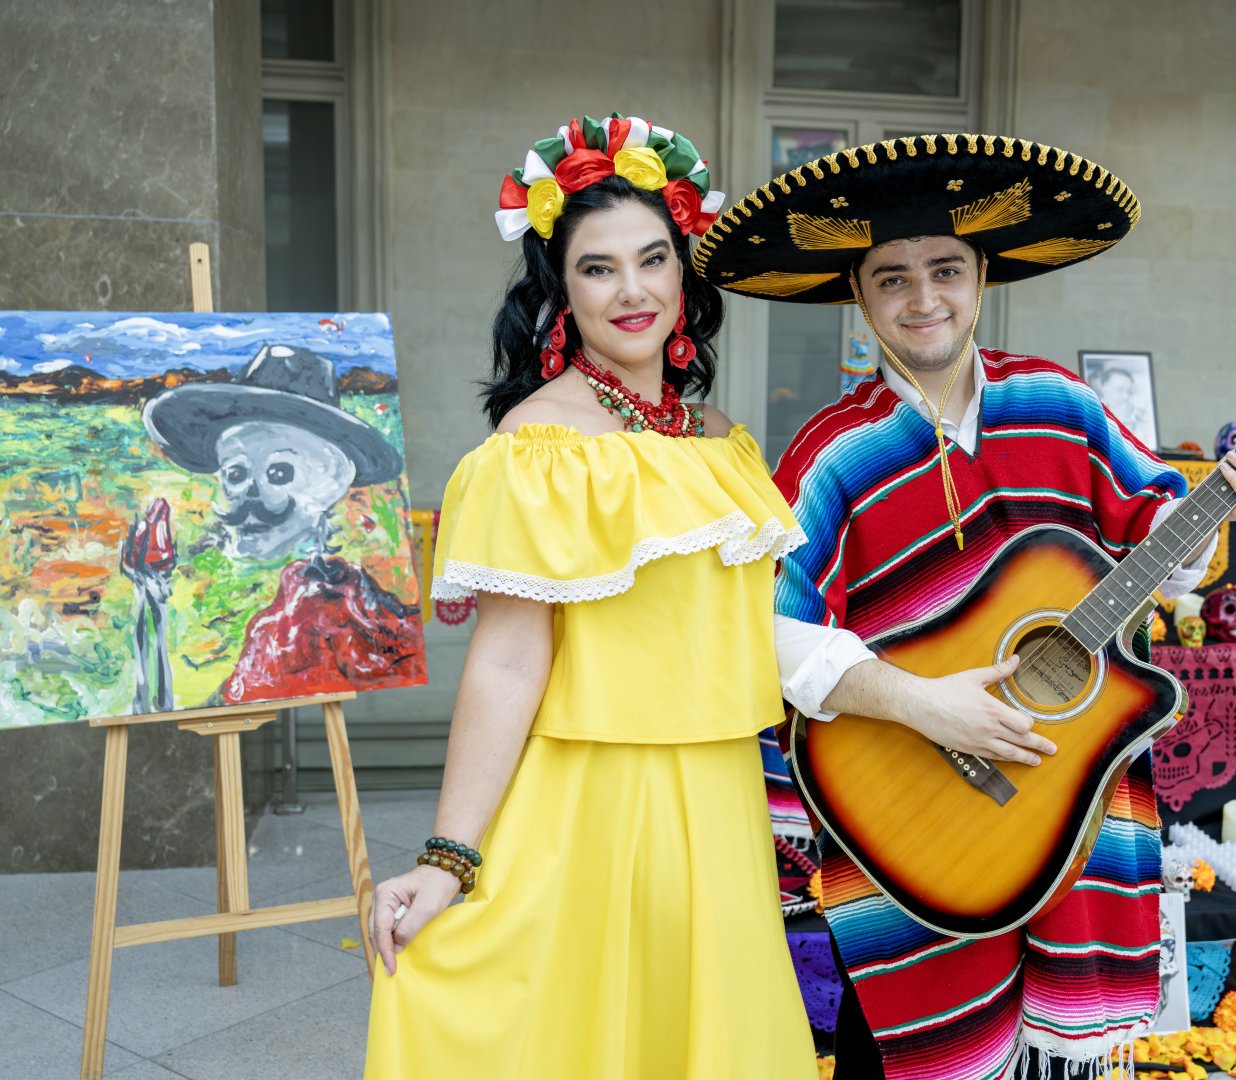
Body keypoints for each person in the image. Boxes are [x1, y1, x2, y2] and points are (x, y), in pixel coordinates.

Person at [696, 132, 1236, 1078]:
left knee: (1065, 1053)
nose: (923, 298)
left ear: (983, 275)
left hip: (1074, 783)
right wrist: (923, 703)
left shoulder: (1060, 404)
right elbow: (764, 632)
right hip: (914, 805)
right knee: (910, 1046)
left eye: (945, 269)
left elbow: (1165, 548)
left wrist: (1233, 506)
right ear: (857, 296)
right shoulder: (833, 453)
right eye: (891, 277)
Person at [363, 114, 817, 1079]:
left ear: (685, 271)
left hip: (723, 800)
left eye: (653, 259)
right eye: (598, 268)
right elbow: (508, 659)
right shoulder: (539, 448)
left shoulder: (720, 439)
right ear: (560, 290)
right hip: (594, 804)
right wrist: (448, 857)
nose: (634, 290)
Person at [143, 346, 425, 705]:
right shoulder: (247, 590)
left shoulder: (314, 617)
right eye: (236, 474)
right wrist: (150, 594)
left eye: (279, 473)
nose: (251, 497)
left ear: (330, 483)